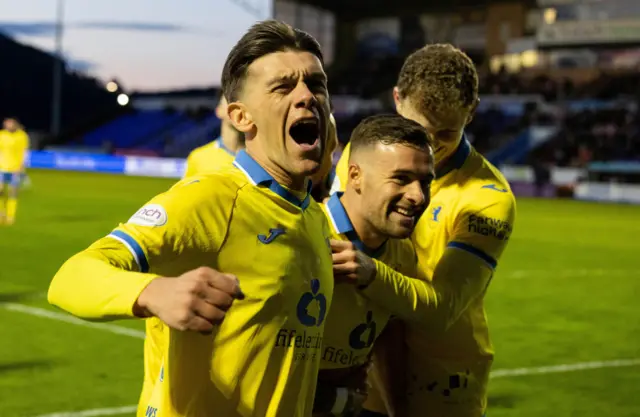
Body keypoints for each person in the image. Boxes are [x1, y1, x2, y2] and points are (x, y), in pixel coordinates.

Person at [48, 20, 334, 417]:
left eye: (316, 84)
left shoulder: (314, 217)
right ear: (241, 117)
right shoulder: (211, 198)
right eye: (284, 87)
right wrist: (153, 292)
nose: (307, 96)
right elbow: (71, 277)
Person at [332, 44, 517, 417]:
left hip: (442, 390)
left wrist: (370, 272)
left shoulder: (486, 198)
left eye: (446, 132)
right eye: (420, 130)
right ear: (397, 98)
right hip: (361, 379)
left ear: (473, 111)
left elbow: (443, 308)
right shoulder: (363, 153)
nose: (429, 145)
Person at [312, 114, 434, 417]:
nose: (418, 196)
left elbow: (387, 335)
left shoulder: (403, 254)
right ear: (355, 176)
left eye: (426, 181)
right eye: (401, 179)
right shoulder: (307, 233)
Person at [183, 95, 245, 177]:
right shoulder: (199, 158)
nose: (237, 109)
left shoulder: (261, 158)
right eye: (231, 101)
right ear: (219, 111)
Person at [0, 117, 30, 225]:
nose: (8, 126)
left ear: (15, 125)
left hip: (15, 168)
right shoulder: (2, 135)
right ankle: (1, 214)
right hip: (2, 167)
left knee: (13, 192)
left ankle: (10, 216)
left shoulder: (22, 136)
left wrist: (21, 166)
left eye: (10, 124)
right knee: (1, 191)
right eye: (6, 124)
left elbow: (24, 151)